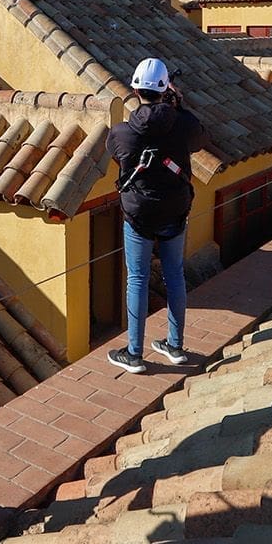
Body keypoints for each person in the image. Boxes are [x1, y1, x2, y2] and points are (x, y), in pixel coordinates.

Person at [105, 58, 203, 374]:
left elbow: (116, 152)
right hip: (175, 209)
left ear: (135, 89)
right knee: (174, 273)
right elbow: (203, 138)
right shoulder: (183, 125)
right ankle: (174, 345)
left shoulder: (122, 133)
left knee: (138, 278)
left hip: (138, 214)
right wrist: (181, 107)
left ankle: (134, 353)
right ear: (166, 90)